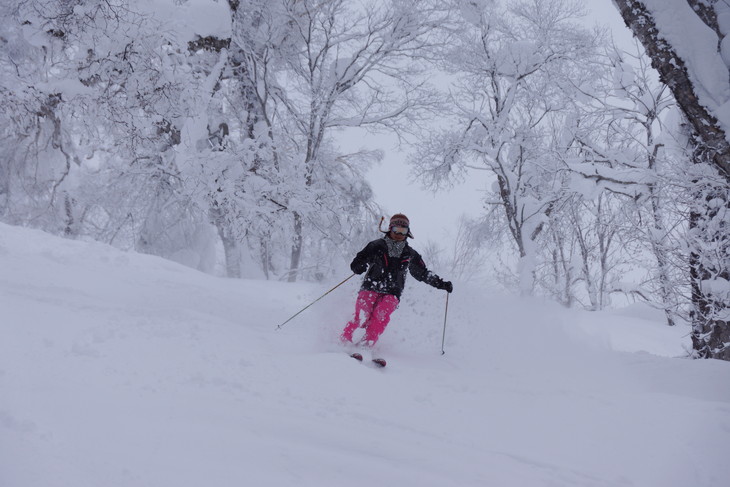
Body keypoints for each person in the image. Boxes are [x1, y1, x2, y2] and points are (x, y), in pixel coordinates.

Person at [340, 213, 453, 347]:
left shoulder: (410, 253)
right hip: (371, 286)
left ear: (407, 232)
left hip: (393, 291)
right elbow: (357, 262)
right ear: (390, 229)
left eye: (403, 231)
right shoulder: (376, 245)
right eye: (396, 230)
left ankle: (367, 344)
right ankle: (344, 341)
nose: (399, 233)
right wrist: (359, 266)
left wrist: (441, 284)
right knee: (362, 315)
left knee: (380, 317)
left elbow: (422, 273)